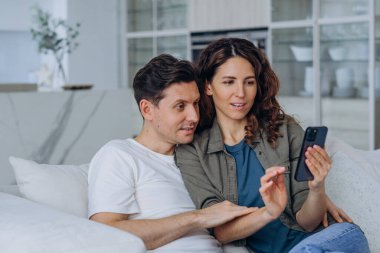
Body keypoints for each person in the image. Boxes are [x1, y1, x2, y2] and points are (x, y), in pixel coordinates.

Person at [175, 38, 370, 253]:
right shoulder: (193, 151)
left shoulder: (284, 129)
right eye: (229, 82)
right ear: (208, 86)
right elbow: (221, 231)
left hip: (331, 240)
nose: (240, 93)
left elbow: (308, 223)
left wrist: (316, 189)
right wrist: (269, 211)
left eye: (249, 82)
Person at [87, 54, 257, 252]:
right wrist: (198, 217)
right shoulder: (120, 155)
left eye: (195, 104)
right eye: (180, 106)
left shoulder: (198, 157)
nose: (194, 116)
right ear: (147, 109)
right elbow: (105, 233)